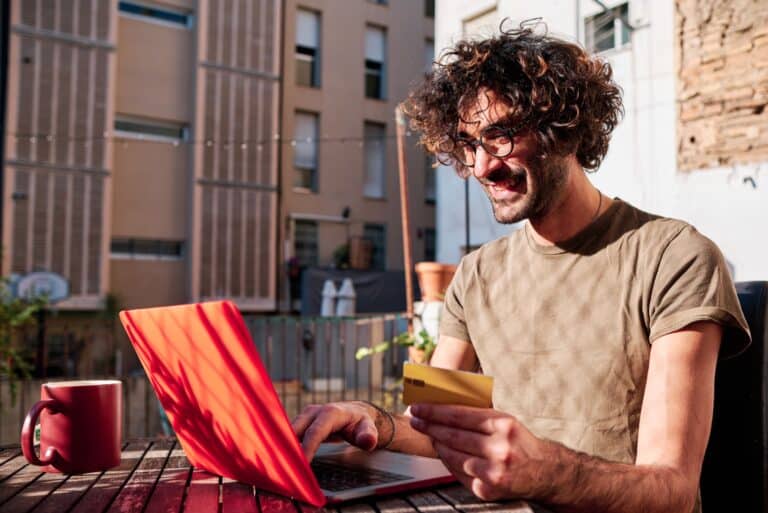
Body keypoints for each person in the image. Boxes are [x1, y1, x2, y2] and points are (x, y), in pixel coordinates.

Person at [292, 23, 751, 513]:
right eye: (468, 144)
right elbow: (432, 426)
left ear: (566, 129)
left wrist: (544, 471)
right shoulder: (476, 274)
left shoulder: (674, 256)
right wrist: (371, 420)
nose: (482, 167)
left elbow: (673, 491)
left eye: (503, 136)